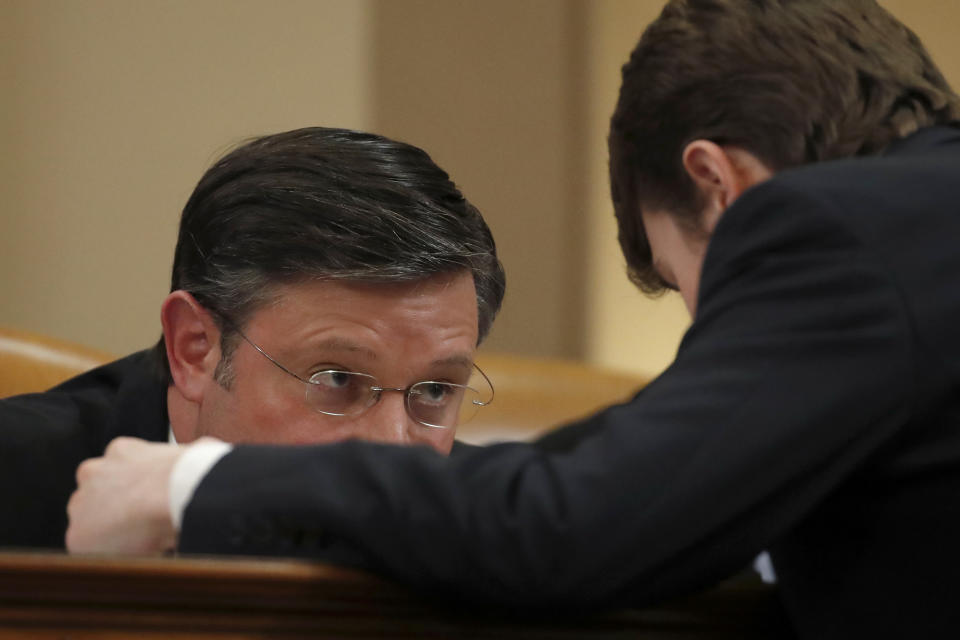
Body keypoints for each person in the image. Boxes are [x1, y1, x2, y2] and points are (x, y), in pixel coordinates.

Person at [66, 1, 960, 636]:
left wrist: (188, 488)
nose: (718, 335)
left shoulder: (831, 230)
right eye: (339, 381)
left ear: (720, 186)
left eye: (704, 295)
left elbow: (581, 524)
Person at [0, 126, 504, 549]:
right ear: (195, 348)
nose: (393, 452)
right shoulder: (17, 479)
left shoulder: (493, 525)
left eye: (436, 390)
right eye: (337, 378)